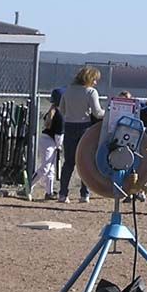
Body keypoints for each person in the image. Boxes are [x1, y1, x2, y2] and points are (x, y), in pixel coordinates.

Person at [58, 66, 104, 203]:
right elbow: (97, 113)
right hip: (84, 128)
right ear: (89, 79)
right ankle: (84, 194)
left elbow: (62, 109)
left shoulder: (68, 90)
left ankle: (63, 193)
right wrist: (108, 113)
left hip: (69, 126)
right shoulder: (91, 92)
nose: (95, 82)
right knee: (86, 162)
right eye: (94, 79)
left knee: (69, 162)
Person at [30, 87, 65, 200]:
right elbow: (58, 135)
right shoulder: (59, 115)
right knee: (45, 168)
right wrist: (59, 147)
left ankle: (49, 193)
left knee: (51, 169)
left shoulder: (55, 111)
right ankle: (28, 186)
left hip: (50, 141)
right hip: (49, 142)